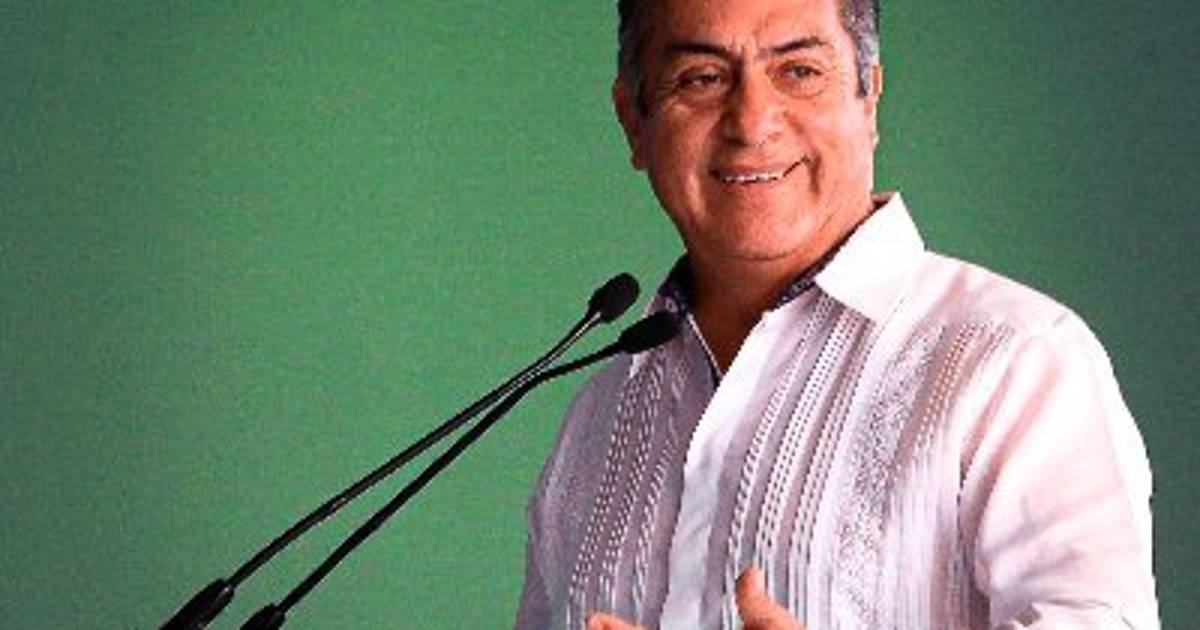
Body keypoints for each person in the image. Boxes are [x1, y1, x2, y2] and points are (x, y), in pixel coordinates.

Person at [515, 0, 1159, 628]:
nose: (752, 122)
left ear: (868, 97)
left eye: (798, 71)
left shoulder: (1017, 360)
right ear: (634, 120)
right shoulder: (599, 417)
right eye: (702, 78)